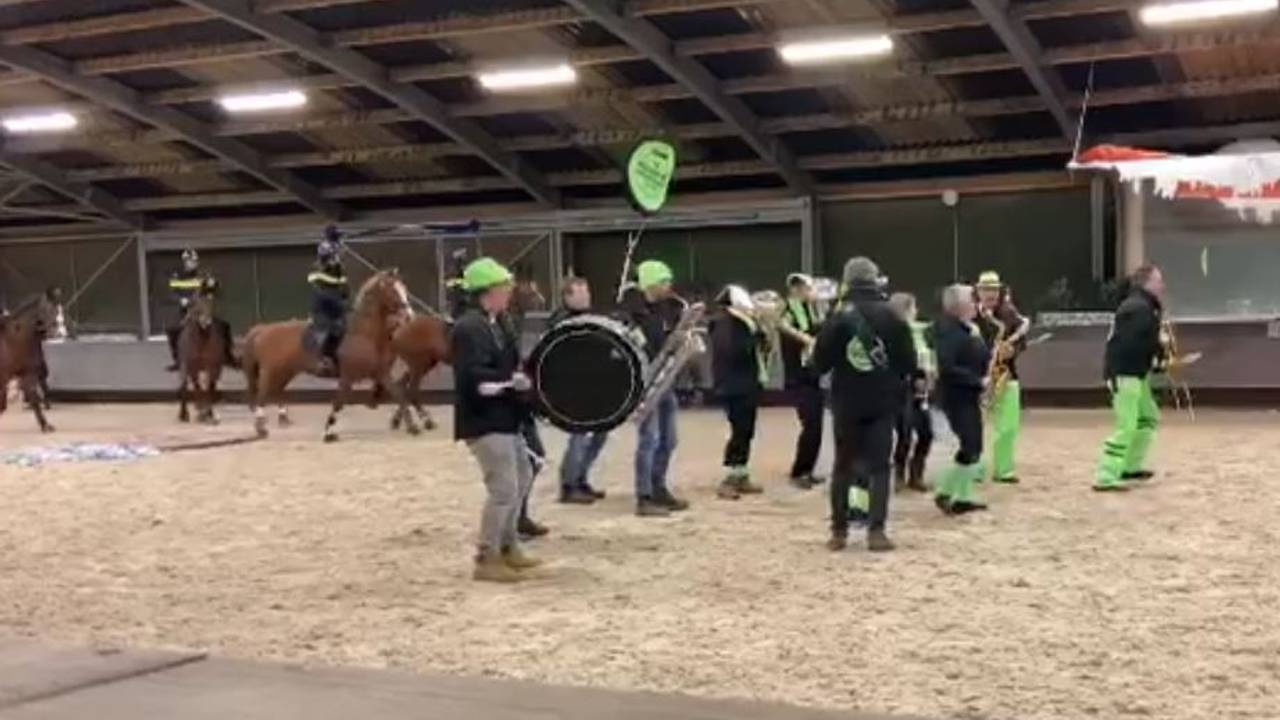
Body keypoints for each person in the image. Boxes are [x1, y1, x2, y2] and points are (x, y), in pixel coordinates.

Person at [811, 257, 916, 553]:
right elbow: (909, 363)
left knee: (843, 466)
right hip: (882, 402)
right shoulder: (892, 315)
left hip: (846, 401)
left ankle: (838, 532)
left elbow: (819, 364)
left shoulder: (838, 317)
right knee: (880, 467)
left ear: (847, 281)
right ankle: (876, 532)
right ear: (874, 279)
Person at [452, 256, 543, 583]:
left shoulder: (501, 322)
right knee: (503, 489)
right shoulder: (469, 328)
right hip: (484, 420)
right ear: (487, 291)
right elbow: (473, 378)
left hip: (507, 416)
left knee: (523, 476)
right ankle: (486, 556)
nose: (510, 292)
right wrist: (508, 383)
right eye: (504, 287)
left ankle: (509, 545)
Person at [624, 259, 690, 517]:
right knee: (648, 438)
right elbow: (641, 345)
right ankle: (644, 496)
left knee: (669, 439)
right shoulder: (634, 313)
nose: (669, 286)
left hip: (665, 380)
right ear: (650, 283)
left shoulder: (666, 309)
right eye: (664, 281)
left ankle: (658, 486)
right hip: (645, 382)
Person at [1095, 265, 1166, 492]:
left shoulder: (1142, 307)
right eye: (1158, 280)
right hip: (1125, 373)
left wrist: (1157, 356)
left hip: (1136, 373)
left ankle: (1130, 465)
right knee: (1126, 424)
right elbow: (1132, 343)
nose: (1162, 285)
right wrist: (1157, 356)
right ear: (1147, 282)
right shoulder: (1138, 308)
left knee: (1148, 417)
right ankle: (1106, 474)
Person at [550, 277, 610, 505]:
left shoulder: (588, 318)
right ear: (567, 296)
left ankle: (580, 477)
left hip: (592, 386)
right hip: (574, 389)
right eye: (580, 293)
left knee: (599, 434)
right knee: (580, 436)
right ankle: (569, 484)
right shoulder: (562, 322)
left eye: (587, 292)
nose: (586, 297)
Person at [933, 283, 991, 515]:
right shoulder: (949, 331)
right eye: (972, 299)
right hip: (956, 396)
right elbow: (946, 366)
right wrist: (978, 381)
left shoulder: (966, 328)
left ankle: (960, 495)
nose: (976, 303)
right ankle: (946, 492)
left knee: (973, 445)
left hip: (967, 394)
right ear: (959, 305)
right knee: (970, 444)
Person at [709, 284, 769, 500]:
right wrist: (756, 334)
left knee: (746, 430)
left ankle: (740, 474)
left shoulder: (743, 323)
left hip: (746, 383)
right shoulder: (726, 323)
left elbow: (760, 347)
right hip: (734, 386)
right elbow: (736, 351)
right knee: (740, 430)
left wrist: (760, 331)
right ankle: (730, 478)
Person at [974, 271, 1031, 484]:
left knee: (1008, 426)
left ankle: (1004, 469)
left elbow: (1022, 339)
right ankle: (974, 469)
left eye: (994, 290)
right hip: (977, 377)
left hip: (1006, 374)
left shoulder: (1008, 313)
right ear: (978, 292)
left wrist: (1013, 349)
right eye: (986, 289)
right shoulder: (971, 314)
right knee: (973, 428)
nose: (991, 294)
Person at [780, 273, 826, 489]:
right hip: (798, 377)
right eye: (806, 288)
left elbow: (818, 331)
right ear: (795, 290)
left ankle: (808, 469)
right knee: (811, 425)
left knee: (816, 426)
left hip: (812, 376)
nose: (810, 292)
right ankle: (799, 472)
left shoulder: (811, 310)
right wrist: (808, 339)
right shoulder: (787, 310)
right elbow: (787, 329)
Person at [889, 292, 934, 493]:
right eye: (913, 307)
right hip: (900, 389)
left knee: (926, 433)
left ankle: (916, 473)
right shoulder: (892, 334)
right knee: (904, 434)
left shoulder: (919, 331)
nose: (916, 311)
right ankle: (899, 474)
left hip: (920, 389)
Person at [165, 249, 236, 371]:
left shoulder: (204, 275)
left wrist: (214, 284)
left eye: (195, 261)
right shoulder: (177, 276)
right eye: (190, 261)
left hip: (202, 308)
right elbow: (171, 293)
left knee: (224, 326)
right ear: (184, 262)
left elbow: (215, 289)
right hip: (186, 310)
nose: (193, 263)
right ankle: (177, 360)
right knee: (172, 330)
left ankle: (228, 356)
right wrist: (181, 300)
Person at [308, 226, 349, 375]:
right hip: (323, 298)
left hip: (335, 297)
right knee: (333, 327)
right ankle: (324, 357)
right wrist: (337, 248)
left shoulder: (338, 266)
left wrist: (344, 292)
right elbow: (328, 252)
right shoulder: (323, 255)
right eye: (336, 236)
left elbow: (342, 281)